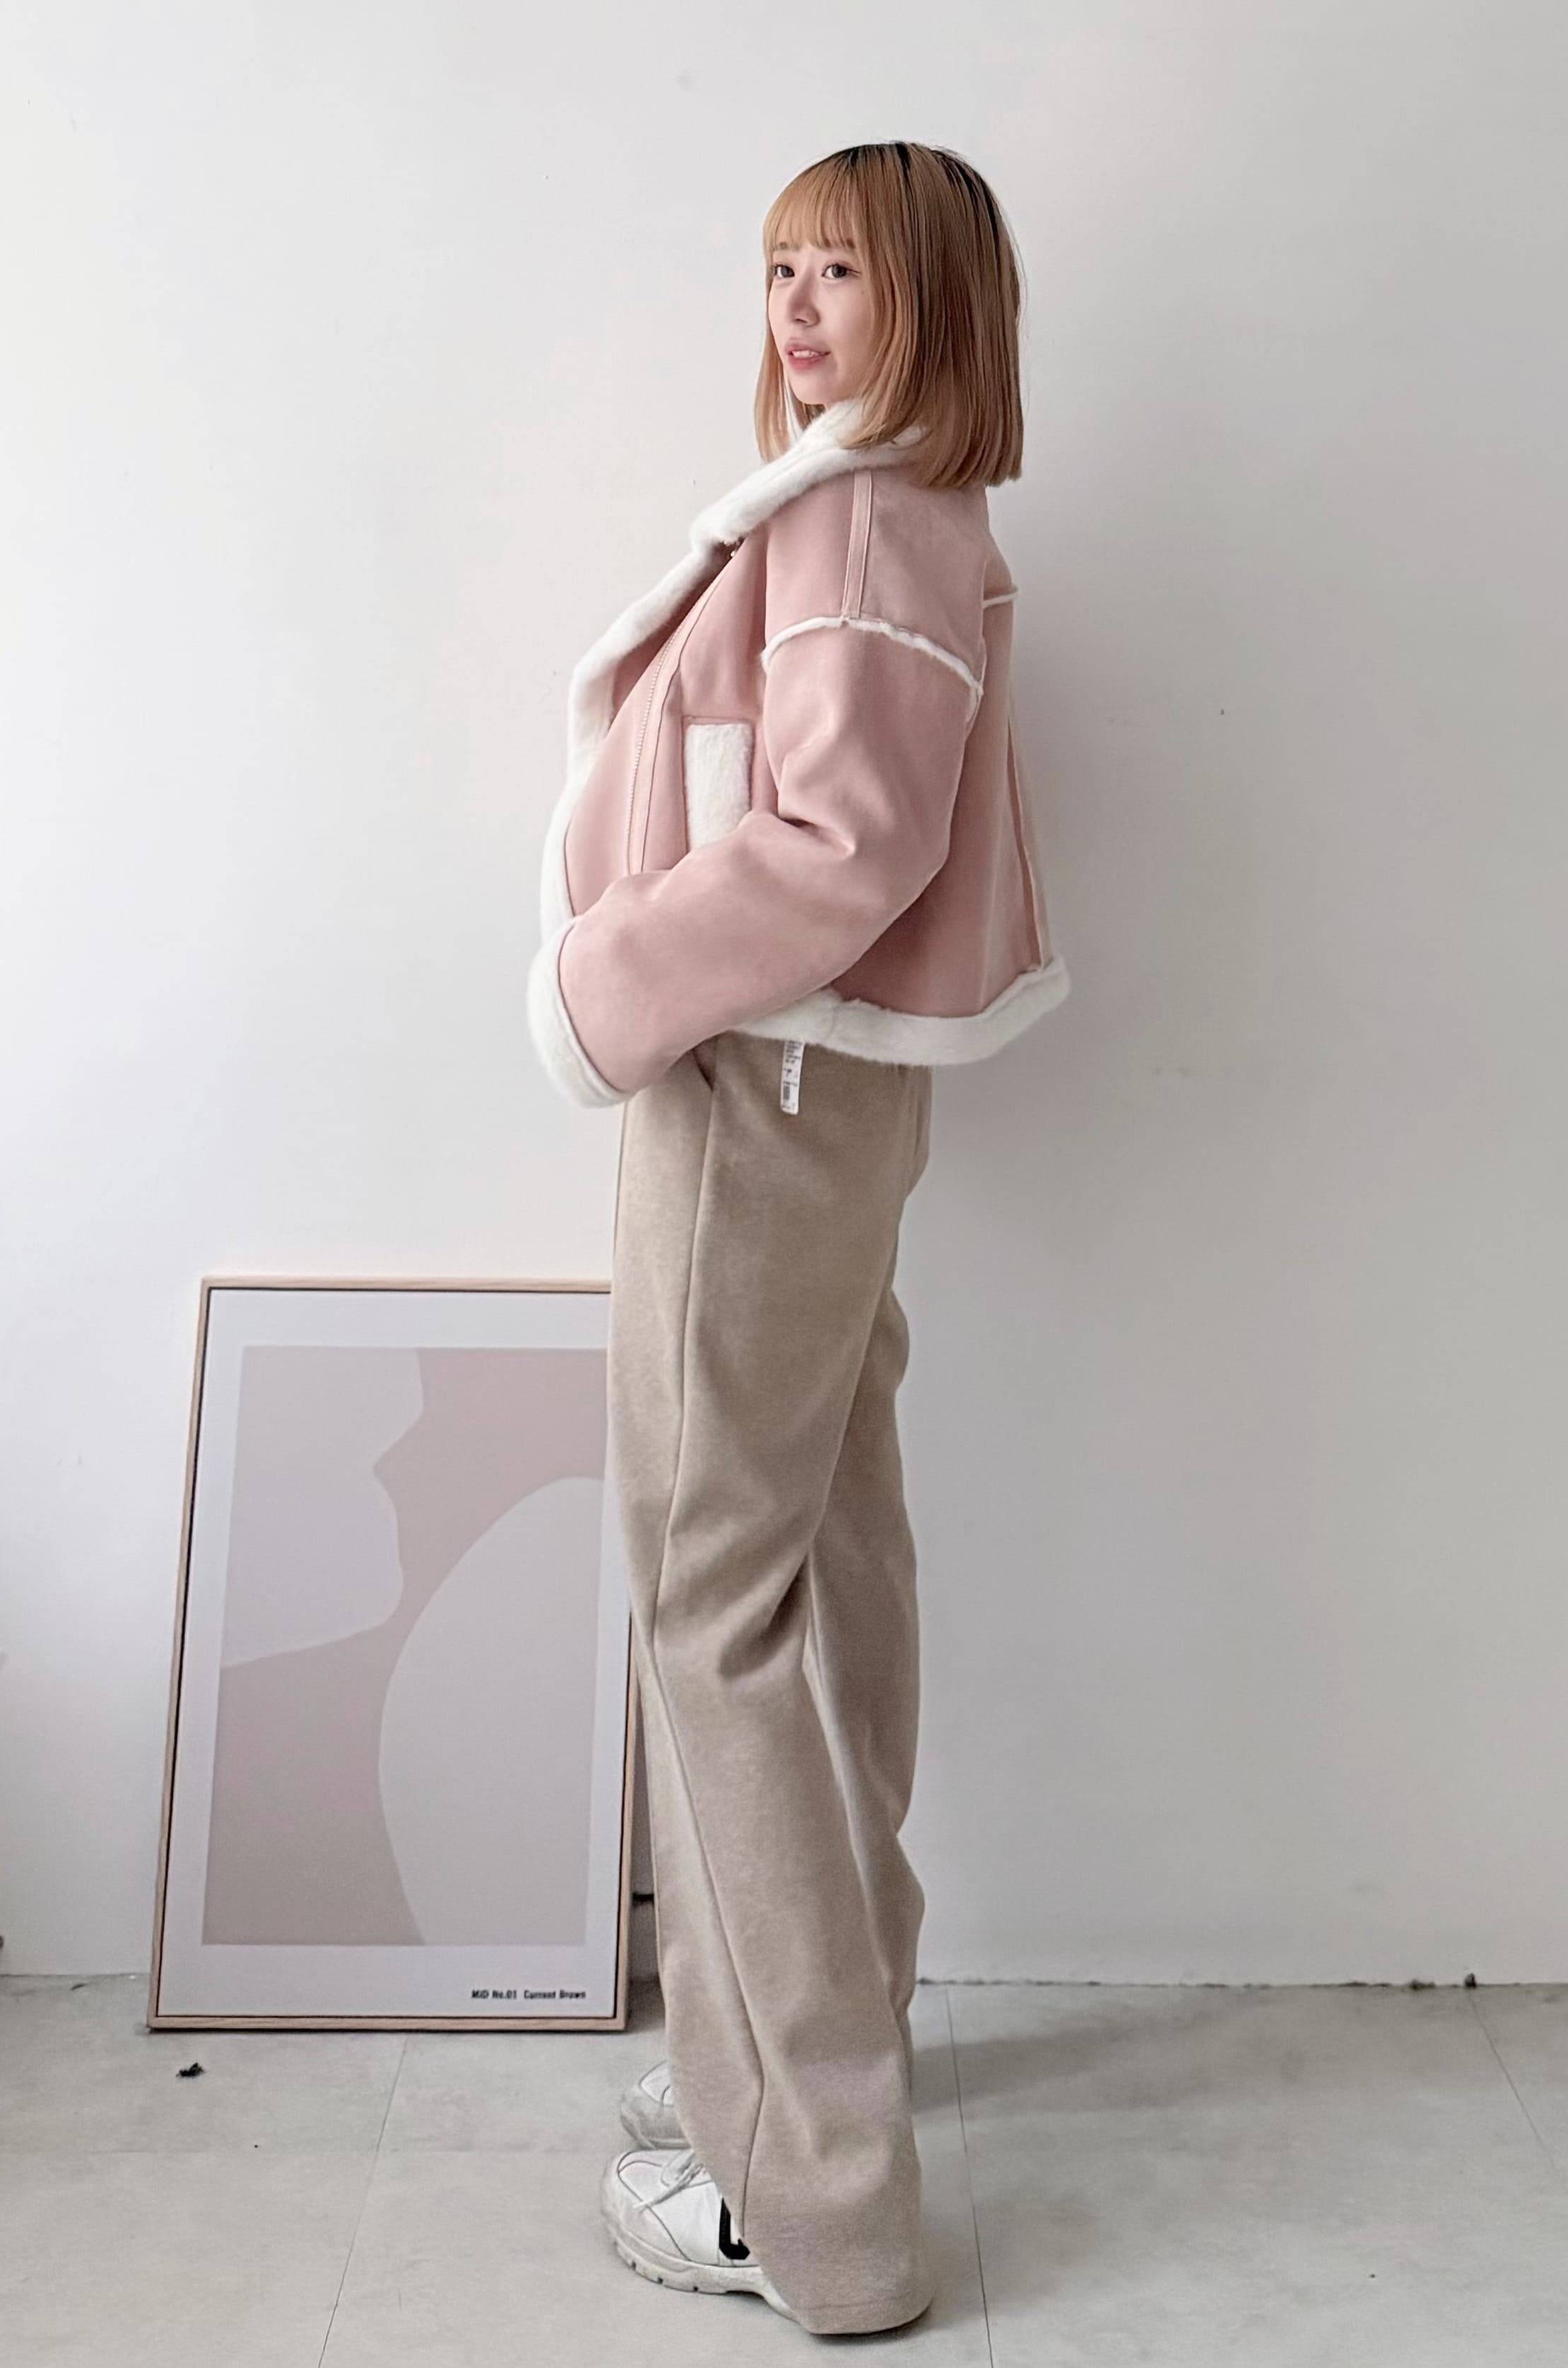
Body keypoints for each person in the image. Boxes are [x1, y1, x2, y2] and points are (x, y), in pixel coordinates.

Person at [525, 138, 1069, 2336]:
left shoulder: (853, 524)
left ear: (934, 295)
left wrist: (598, 988)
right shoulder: (907, 514)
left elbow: (840, 838)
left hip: (753, 1080)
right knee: (820, 1560)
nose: (798, 309)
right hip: (826, 1094)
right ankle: (804, 2036)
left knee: (710, 1590)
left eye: (841, 270)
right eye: (779, 270)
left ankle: (806, 2197)